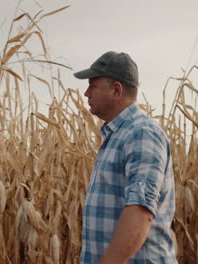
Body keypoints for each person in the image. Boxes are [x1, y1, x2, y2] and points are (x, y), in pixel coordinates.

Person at [74, 51, 177, 264]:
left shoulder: (140, 133)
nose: (86, 93)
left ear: (116, 90)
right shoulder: (118, 135)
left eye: (93, 85)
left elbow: (140, 213)